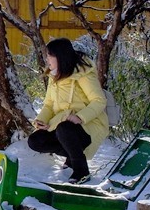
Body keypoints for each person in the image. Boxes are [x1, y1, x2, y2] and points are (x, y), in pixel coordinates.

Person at [27, 38, 109, 184]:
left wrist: (80, 117)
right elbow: (49, 104)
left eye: (49, 55)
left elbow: (99, 101)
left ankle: (81, 170)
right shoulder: (55, 76)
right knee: (35, 141)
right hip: (62, 124)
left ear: (60, 56)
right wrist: (41, 121)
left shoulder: (83, 75)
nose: (47, 59)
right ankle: (72, 156)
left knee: (64, 129)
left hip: (89, 125)